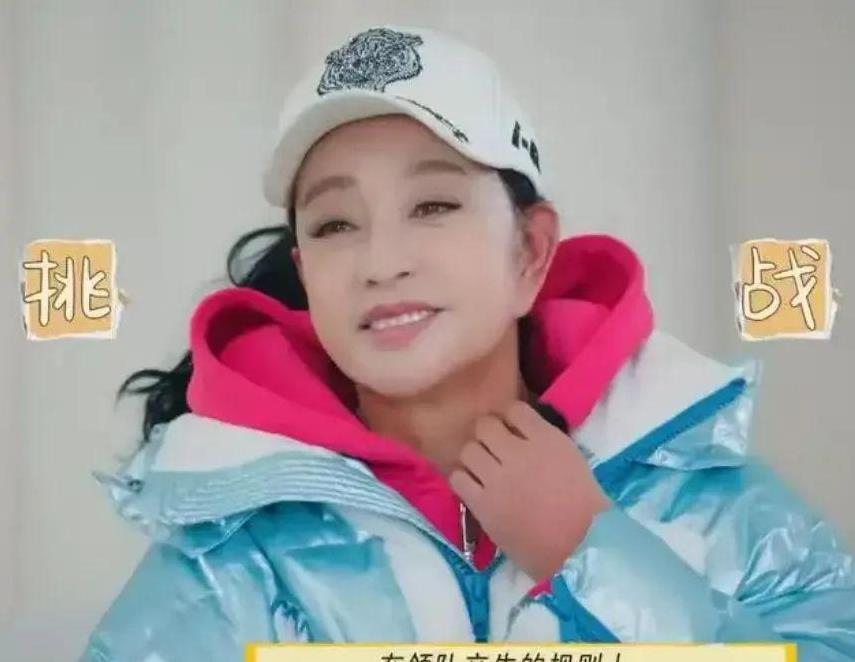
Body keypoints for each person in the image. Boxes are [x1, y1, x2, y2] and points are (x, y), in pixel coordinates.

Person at [79, 24, 855, 661]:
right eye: (335, 224)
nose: (381, 262)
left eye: (433, 205)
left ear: (530, 252)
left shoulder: (702, 494)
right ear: (305, 273)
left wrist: (588, 549)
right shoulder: (232, 559)